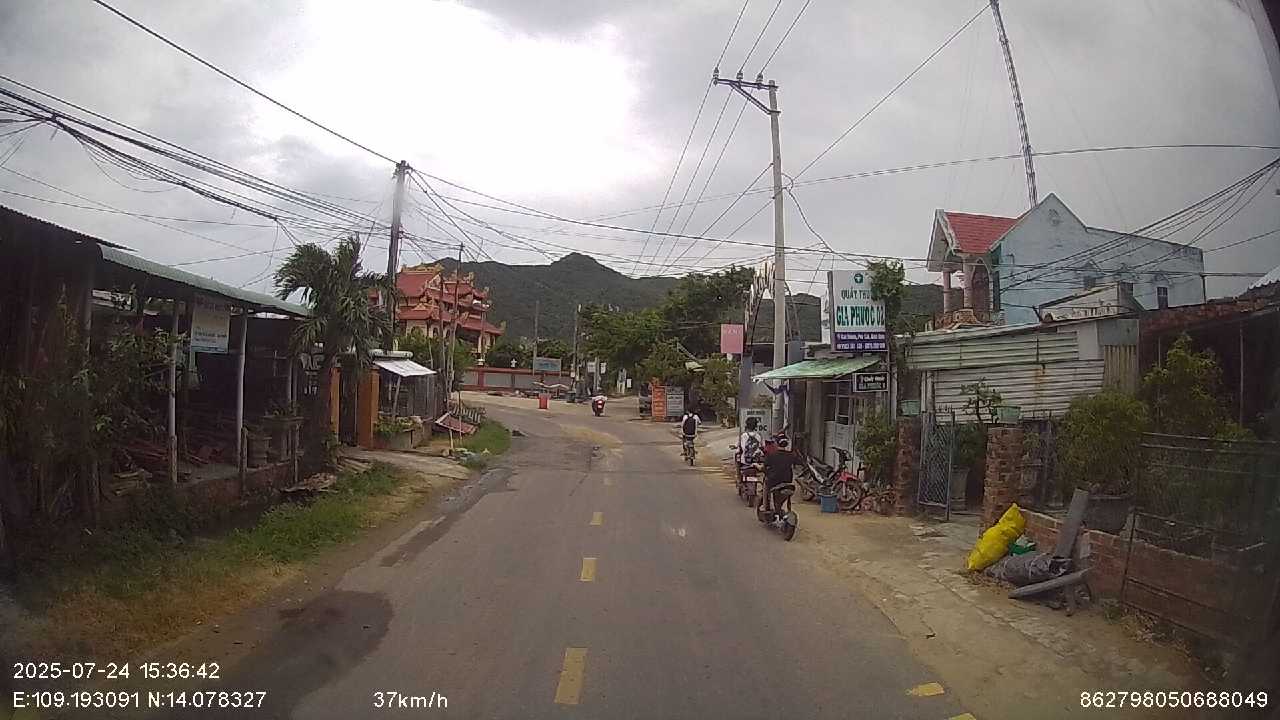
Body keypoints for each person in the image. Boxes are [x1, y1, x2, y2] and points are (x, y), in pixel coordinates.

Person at [759, 436, 801, 513]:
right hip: (788, 482)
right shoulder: (791, 455)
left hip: (773, 482)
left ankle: (765, 506)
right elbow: (799, 462)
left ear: (776, 444)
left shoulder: (771, 455)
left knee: (765, 485)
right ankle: (787, 508)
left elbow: (764, 467)